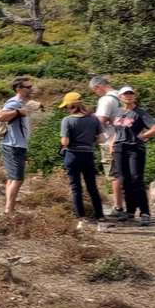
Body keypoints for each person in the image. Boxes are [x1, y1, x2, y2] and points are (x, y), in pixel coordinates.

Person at [111, 85, 155, 224]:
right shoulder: (118, 112)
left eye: (131, 94)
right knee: (124, 180)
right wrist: (112, 144)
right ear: (120, 97)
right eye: (125, 94)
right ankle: (130, 211)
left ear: (135, 96)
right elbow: (118, 131)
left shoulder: (140, 112)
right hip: (120, 147)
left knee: (136, 180)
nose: (128, 96)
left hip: (135, 148)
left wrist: (143, 136)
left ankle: (145, 212)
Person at [58, 92, 106, 231]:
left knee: (76, 188)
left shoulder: (67, 120)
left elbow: (65, 141)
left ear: (69, 105)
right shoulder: (94, 120)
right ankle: (101, 221)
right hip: (88, 154)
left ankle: (81, 220)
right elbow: (102, 139)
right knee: (93, 188)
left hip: (72, 155)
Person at [0, 78, 35, 215]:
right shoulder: (14, 102)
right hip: (13, 145)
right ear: (19, 89)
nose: (31, 89)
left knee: (13, 178)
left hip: (16, 145)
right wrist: (18, 112)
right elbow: (0, 117)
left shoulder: (21, 103)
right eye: (28, 87)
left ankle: (9, 208)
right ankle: (8, 210)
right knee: (18, 179)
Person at [90, 76, 126, 216]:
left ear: (98, 87)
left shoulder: (105, 100)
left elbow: (101, 122)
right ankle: (129, 207)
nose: (96, 93)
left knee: (114, 175)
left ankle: (118, 207)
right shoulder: (121, 96)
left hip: (110, 141)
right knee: (125, 174)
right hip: (125, 140)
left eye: (95, 90)